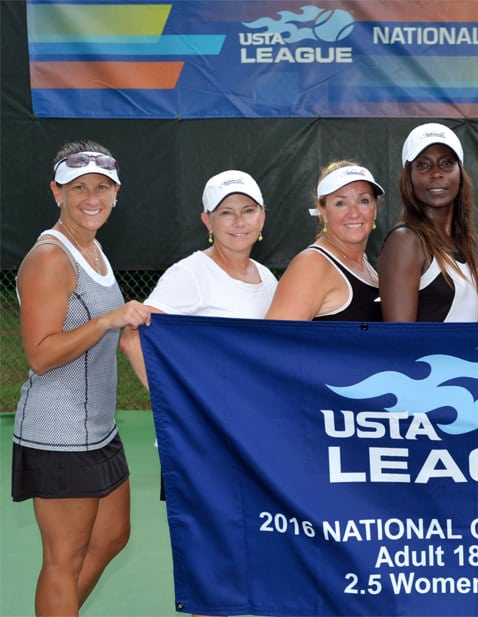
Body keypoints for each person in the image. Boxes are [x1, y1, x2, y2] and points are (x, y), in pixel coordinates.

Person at [12, 140, 152, 616]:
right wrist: (106, 322)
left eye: (101, 187)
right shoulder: (50, 258)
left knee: (113, 536)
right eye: (78, 188)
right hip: (57, 431)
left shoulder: (92, 248)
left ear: (116, 192)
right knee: (62, 559)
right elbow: (40, 355)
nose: (91, 197)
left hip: (99, 427)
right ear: (57, 192)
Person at [120, 170, 277, 388]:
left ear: (262, 218)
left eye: (248, 211)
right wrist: (180, 405)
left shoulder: (267, 278)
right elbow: (133, 339)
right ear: (208, 221)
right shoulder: (190, 274)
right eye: (226, 213)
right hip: (215, 417)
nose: (239, 222)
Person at [377, 122, 478, 321]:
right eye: (423, 165)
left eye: (446, 163)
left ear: (460, 173)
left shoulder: (461, 240)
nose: (436, 173)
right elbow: (400, 340)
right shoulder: (405, 241)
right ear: (409, 176)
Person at [266, 162, 383, 321]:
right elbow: (276, 339)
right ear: (323, 212)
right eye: (341, 203)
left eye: (363, 201)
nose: (354, 213)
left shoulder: (363, 262)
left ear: (375, 208)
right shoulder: (311, 265)